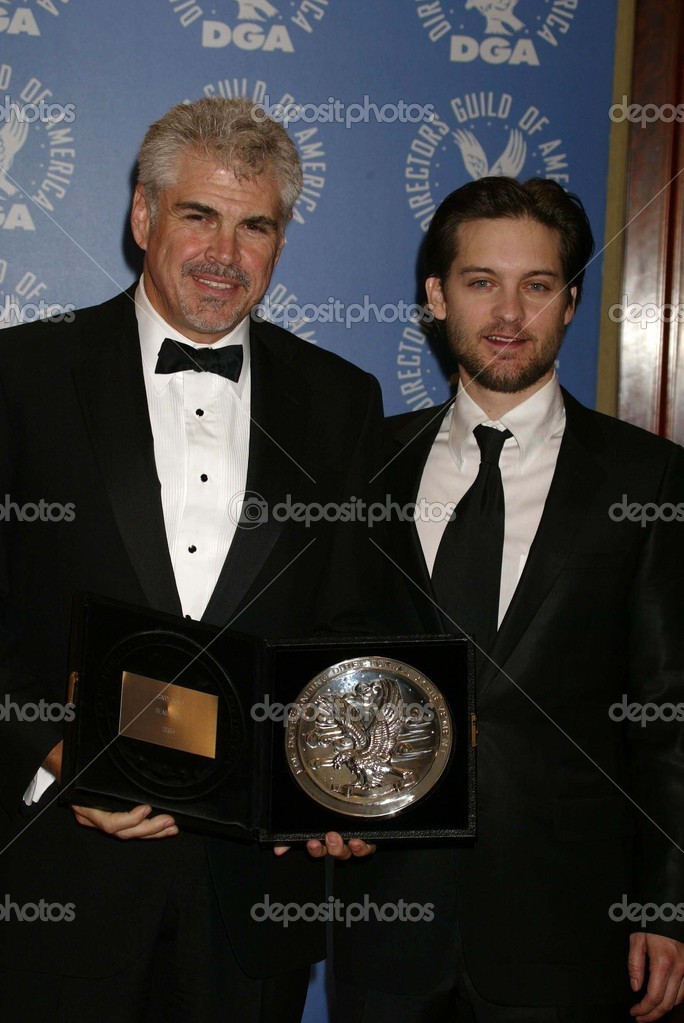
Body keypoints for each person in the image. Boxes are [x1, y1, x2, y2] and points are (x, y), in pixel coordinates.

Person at [0, 97, 382, 1022]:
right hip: (60, 871)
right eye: (198, 215)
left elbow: (350, 619)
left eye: (256, 225)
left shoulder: (340, 401)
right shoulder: (22, 375)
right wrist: (53, 748)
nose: (226, 251)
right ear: (143, 217)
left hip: (254, 889)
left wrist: (345, 784)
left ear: (280, 243)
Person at [329, 177, 684, 1022]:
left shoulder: (647, 478)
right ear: (436, 295)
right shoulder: (362, 463)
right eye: (481, 281)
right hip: (386, 914)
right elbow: (327, 654)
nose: (508, 313)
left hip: (569, 929)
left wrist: (665, 901)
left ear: (570, 303)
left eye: (538, 285)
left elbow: (668, 711)